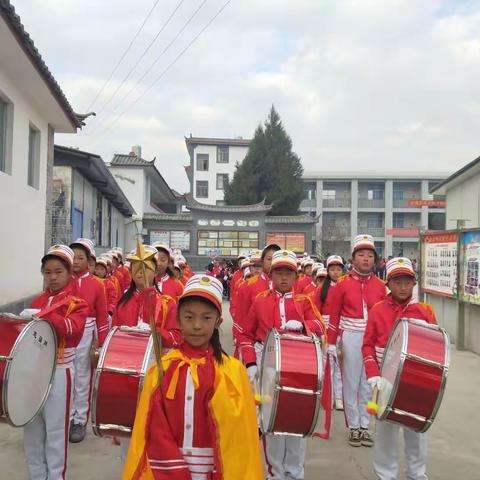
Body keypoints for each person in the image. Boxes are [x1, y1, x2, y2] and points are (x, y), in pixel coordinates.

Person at [122, 274, 263, 479]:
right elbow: (153, 427)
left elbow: (239, 439)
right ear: (178, 319)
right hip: (167, 470)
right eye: (189, 317)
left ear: (218, 321)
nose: (197, 325)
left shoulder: (233, 372)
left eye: (206, 318)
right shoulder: (162, 370)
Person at [238, 249, 325, 480]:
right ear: (271, 274)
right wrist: (250, 364)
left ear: (296, 276)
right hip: (267, 364)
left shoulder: (304, 301)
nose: (284, 278)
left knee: (297, 419)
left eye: (288, 273)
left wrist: (304, 325)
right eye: (279, 273)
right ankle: (275, 473)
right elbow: (246, 335)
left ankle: (295, 473)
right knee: (271, 420)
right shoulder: (259, 301)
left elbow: (319, 326)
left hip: (298, 366)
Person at [362, 258, 436, 480]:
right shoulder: (377, 310)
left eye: (407, 282)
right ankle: (386, 475)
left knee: (416, 431)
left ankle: (417, 474)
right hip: (385, 378)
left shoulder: (424, 311)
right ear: (389, 284)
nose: (402, 287)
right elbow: (367, 345)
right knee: (386, 432)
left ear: (414, 284)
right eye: (397, 282)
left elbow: (435, 346)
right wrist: (373, 374)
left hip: (417, 379)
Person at [23, 244, 88, 479]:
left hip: (60, 371)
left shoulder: (77, 303)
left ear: (70, 272)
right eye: (47, 272)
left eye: (58, 271)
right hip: (33, 371)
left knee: (56, 432)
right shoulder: (39, 299)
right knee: (31, 429)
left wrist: (42, 316)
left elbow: (72, 329)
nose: (52, 277)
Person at [327, 235, 387, 447]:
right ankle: (353, 426)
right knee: (351, 382)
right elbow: (334, 315)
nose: (366, 259)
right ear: (353, 259)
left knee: (368, 384)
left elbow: (384, 316)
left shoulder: (381, 286)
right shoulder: (341, 284)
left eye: (370, 255)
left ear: (375, 260)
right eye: (361, 255)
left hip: (373, 338)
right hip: (351, 336)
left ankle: (365, 425)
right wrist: (332, 343)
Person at [69, 238, 109, 443]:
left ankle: (79, 420)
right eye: (73, 256)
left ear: (89, 260)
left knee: (83, 376)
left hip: (86, 332)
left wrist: (101, 344)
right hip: (64, 333)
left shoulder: (96, 285)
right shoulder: (63, 280)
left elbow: (102, 316)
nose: (75, 261)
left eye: (80, 257)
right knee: (67, 375)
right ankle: (66, 417)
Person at [315, 255, 345, 410]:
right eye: (332, 269)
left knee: (340, 367)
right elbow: (315, 311)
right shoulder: (321, 289)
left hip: (341, 328)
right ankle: (328, 397)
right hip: (326, 330)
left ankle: (339, 398)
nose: (335, 272)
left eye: (338, 269)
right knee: (327, 366)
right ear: (327, 271)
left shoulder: (346, 286)